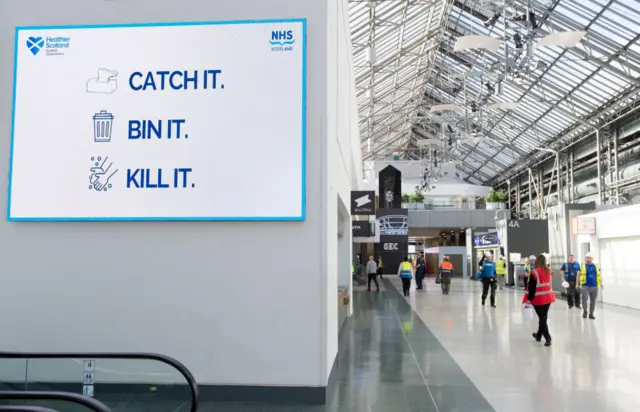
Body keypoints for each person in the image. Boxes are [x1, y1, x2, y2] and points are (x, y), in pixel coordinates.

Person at [523, 254, 556, 347]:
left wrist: (529, 299)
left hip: (539, 298)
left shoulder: (534, 272)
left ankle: (548, 338)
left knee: (542, 319)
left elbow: (531, 288)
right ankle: (538, 335)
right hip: (548, 297)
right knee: (544, 317)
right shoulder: (549, 270)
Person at [580, 252, 602, 319]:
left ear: (592, 259)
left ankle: (591, 314)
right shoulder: (582, 265)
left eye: (590, 258)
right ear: (585, 258)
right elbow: (578, 274)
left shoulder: (596, 266)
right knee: (584, 300)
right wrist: (577, 284)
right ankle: (585, 311)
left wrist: (601, 283)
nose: (589, 259)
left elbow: (598, 275)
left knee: (593, 301)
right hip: (585, 286)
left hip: (594, 286)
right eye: (587, 258)